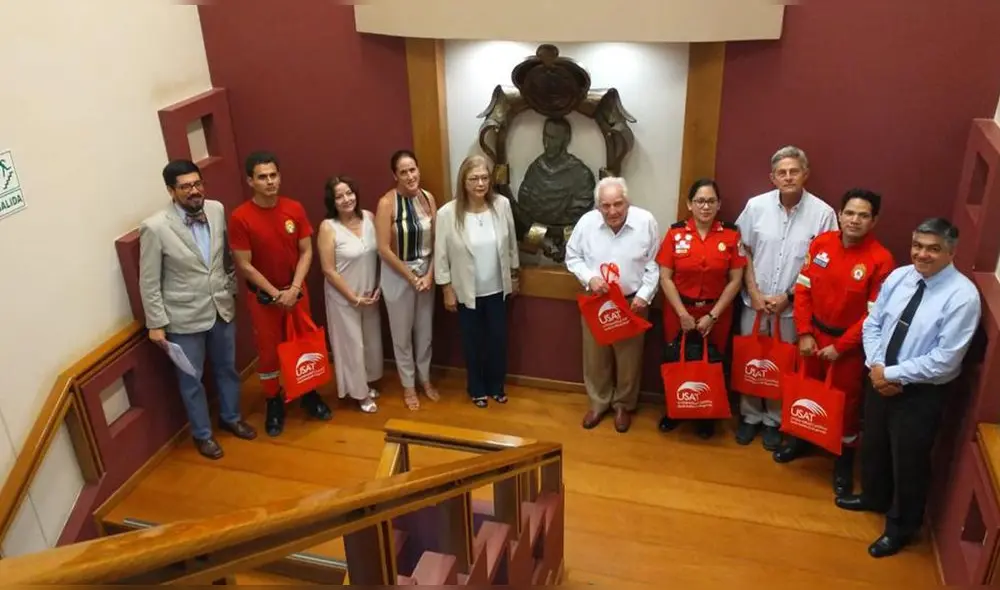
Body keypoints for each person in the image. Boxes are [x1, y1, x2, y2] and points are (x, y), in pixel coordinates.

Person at [837, 218, 980, 558]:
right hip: (879, 376)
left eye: (933, 249)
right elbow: (873, 323)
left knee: (909, 461)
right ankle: (873, 496)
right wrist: (877, 367)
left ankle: (901, 527)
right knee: (874, 444)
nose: (922, 254)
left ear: (951, 252)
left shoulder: (963, 297)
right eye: (918, 246)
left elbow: (945, 359)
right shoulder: (900, 277)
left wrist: (893, 374)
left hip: (919, 394)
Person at [776, 189, 895, 496]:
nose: (855, 220)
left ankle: (843, 461)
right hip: (812, 337)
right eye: (850, 213)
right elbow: (802, 290)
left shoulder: (881, 260)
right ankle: (800, 439)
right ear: (840, 215)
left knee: (846, 405)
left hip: (848, 347)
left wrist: (841, 347)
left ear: (875, 220)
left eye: (863, 215)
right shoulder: (822, 243)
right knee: (806, 391)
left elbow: (873, 316)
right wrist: (804, 332)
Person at [138, 159, 257, 459]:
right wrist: (156, 323)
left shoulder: (216, 209)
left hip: (221, 308)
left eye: (197, 184)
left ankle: (231, 418)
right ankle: (202, 435)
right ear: (170, 190)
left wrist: (231, 291)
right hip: (183, 318)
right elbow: (149, 281)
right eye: (185, 187)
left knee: (227, 369)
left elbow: (225, 259)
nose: (194, 191)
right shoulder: (155, 227)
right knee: (191, 380)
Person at [734, 145, 838, 450]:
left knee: (783, 363)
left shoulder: (823, 214)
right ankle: (750, 416)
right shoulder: (755, 207)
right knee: (753, 358)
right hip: (754, 301)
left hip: (794, 307)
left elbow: (823, 264)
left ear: (805, 174)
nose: (788, 177)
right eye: (782, 172)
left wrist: (789, 296)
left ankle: (774, 420)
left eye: (794, 171)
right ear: (772, 177)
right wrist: (754, 292)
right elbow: (743, 251)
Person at [229, 151, 332, 437]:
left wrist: (295, 288)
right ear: (251, 181)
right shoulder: (240, 217)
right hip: (265, 299)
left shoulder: (294, 209)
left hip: (296, 294)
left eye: (273, 175)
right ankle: (274, 401)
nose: (270, 181)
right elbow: (245, 264)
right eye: (262, 177)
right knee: (269, 353)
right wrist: (275, 294)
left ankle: (309, 394)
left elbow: (306, 250)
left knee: (303, 344)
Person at [566, 176, 660, 433]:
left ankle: (623, 405)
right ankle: (598, 402)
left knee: (629, 359)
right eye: (605, 206)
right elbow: (572, 257)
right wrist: (590, 277)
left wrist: (645, 294)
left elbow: (654, 264)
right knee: (595, 357)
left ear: (627, 202)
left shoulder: (646, 222)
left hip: (633, 302)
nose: (612, 211)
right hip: (598, 302)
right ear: (598, 206)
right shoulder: (587, 223)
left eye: (618, 204)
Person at [656, 178, 746, 439]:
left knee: (711, 363)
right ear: (689, 204)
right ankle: (675, 410)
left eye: (710, 201)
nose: (705, 206)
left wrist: (713, 315)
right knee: (677, 360)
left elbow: (736, 280)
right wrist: (683, 314)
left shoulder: (730, 235)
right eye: (699, 201)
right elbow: (665, 277)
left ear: (718, 205)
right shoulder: (675, 234)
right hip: (678, 310)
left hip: (716, 312)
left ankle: (706, 415)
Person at [435, 155, 520, 408]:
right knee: (473, 343)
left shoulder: (502, 205)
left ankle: (496, 386)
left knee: (497, 340)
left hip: (497, 288)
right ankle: (477, 388)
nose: (480, 183)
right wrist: (446, 289)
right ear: (463, 181)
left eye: (484, 178)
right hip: (466, 291)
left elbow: (512, 243)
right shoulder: (447, 214)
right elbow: (441, 255)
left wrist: (515, 274)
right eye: (474, 179)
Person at [375, 150, 440, 410]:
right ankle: (408, 385)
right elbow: (383, 248)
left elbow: (437, 241)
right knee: (402, 335)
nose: (410, 176)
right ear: (395, 175)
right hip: (397, 274)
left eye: (413, 169)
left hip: (425, 272)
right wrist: (411, 277)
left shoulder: (428, 198)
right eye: (403, 172)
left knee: (424, 332)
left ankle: (425, 379)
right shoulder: (386, 203)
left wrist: (430, 275)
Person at [317, 175, 383, 413]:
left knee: (370, 343)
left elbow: (378, 255)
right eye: (339, 196)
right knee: (351, 346)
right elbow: (328, 269)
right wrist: (352, 297)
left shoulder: (370, 218)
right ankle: (359, 394)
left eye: (349, 193)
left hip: (370, 295)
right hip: (343, 299)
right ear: (332, 201)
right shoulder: (328, 227)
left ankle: (366, 382)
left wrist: (377, 287)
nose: (346, 199)